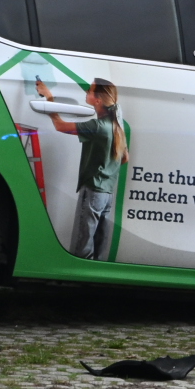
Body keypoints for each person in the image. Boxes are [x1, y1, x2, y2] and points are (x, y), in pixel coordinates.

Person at [35, 77, 126, 260]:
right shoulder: (116, 125)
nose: (87, 93)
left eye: (90, 91)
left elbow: (60, 126)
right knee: (98, 247)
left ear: (98, 100)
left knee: (82, 246)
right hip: (107, 194)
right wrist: (105, 167)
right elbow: (125, 157)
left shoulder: (97, 126)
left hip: (93, 192)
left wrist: (50, 98)